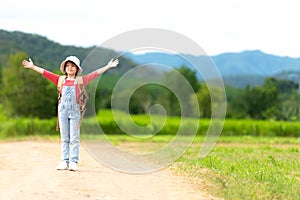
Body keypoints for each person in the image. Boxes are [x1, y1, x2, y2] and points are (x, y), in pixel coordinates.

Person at [22, 56, 119, 171]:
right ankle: (64, 161)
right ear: (65, 68)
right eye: (68, 66)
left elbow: (96, 73)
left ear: (77, 69)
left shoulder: (81, 80)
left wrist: (108, 66)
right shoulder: (60, 79)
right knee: (64, 138)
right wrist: (32, 67)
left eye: (72, 66)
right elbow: (45, 73)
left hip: (75, 111)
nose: (70, 68)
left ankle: (73, 162)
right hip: (62, 111)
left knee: (74, 138)